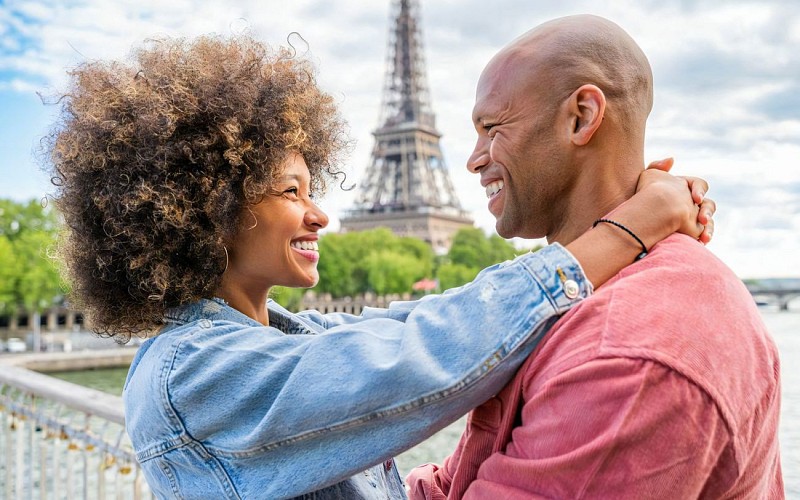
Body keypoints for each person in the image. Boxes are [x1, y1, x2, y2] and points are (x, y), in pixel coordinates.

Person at [45, 34, 713, 499]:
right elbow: (430, 350)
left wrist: (610, 226)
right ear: (207, 211)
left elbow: (425, 320)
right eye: (290, 192)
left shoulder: (282, 342)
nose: (320, 216)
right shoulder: (190, 376)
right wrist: (631, 227)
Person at [407, 15, 783, 499]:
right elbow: (454, 484)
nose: (474, 158)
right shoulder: (599, 298)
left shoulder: (629, 350)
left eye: (493, 127)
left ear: (582, 116)